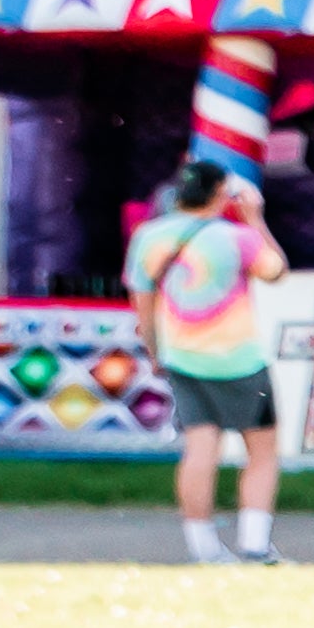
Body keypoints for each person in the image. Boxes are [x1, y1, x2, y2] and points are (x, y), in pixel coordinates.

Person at [124, 155, 288, 566]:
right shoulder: (237, 237)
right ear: (221, 194)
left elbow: (142, 298)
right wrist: (254, 218)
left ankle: (205, 549)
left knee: (200, 447)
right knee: (262, 451)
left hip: (183, 355)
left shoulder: (149, 236)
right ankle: (255, 544)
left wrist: (155, 349)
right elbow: (275, 271)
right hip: (241, 359)